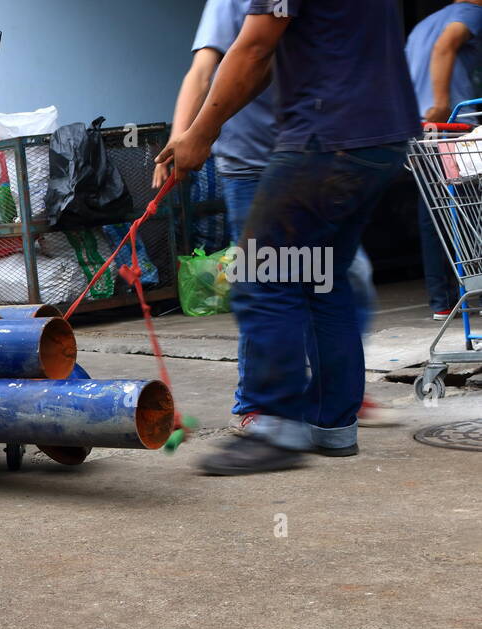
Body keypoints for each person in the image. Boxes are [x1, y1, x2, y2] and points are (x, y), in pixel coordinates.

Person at [157, 0, 420, 476]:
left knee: (261, 275)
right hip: (380, 138)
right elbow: (265, 60)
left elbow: (255, 47)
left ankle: (274, 428)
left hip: (325, 137)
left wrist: (201, 133)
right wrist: (197, 131)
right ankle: (333, 426)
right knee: (323, 277)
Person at [406, 0, 482, 320]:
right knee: (467, 212)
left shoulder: (421, 26)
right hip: (455, 128)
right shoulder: (473, 13)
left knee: (435, 212)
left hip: (423, 130)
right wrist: (439, 104)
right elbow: (446, 44)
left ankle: (442, 300)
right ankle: (471, 291)